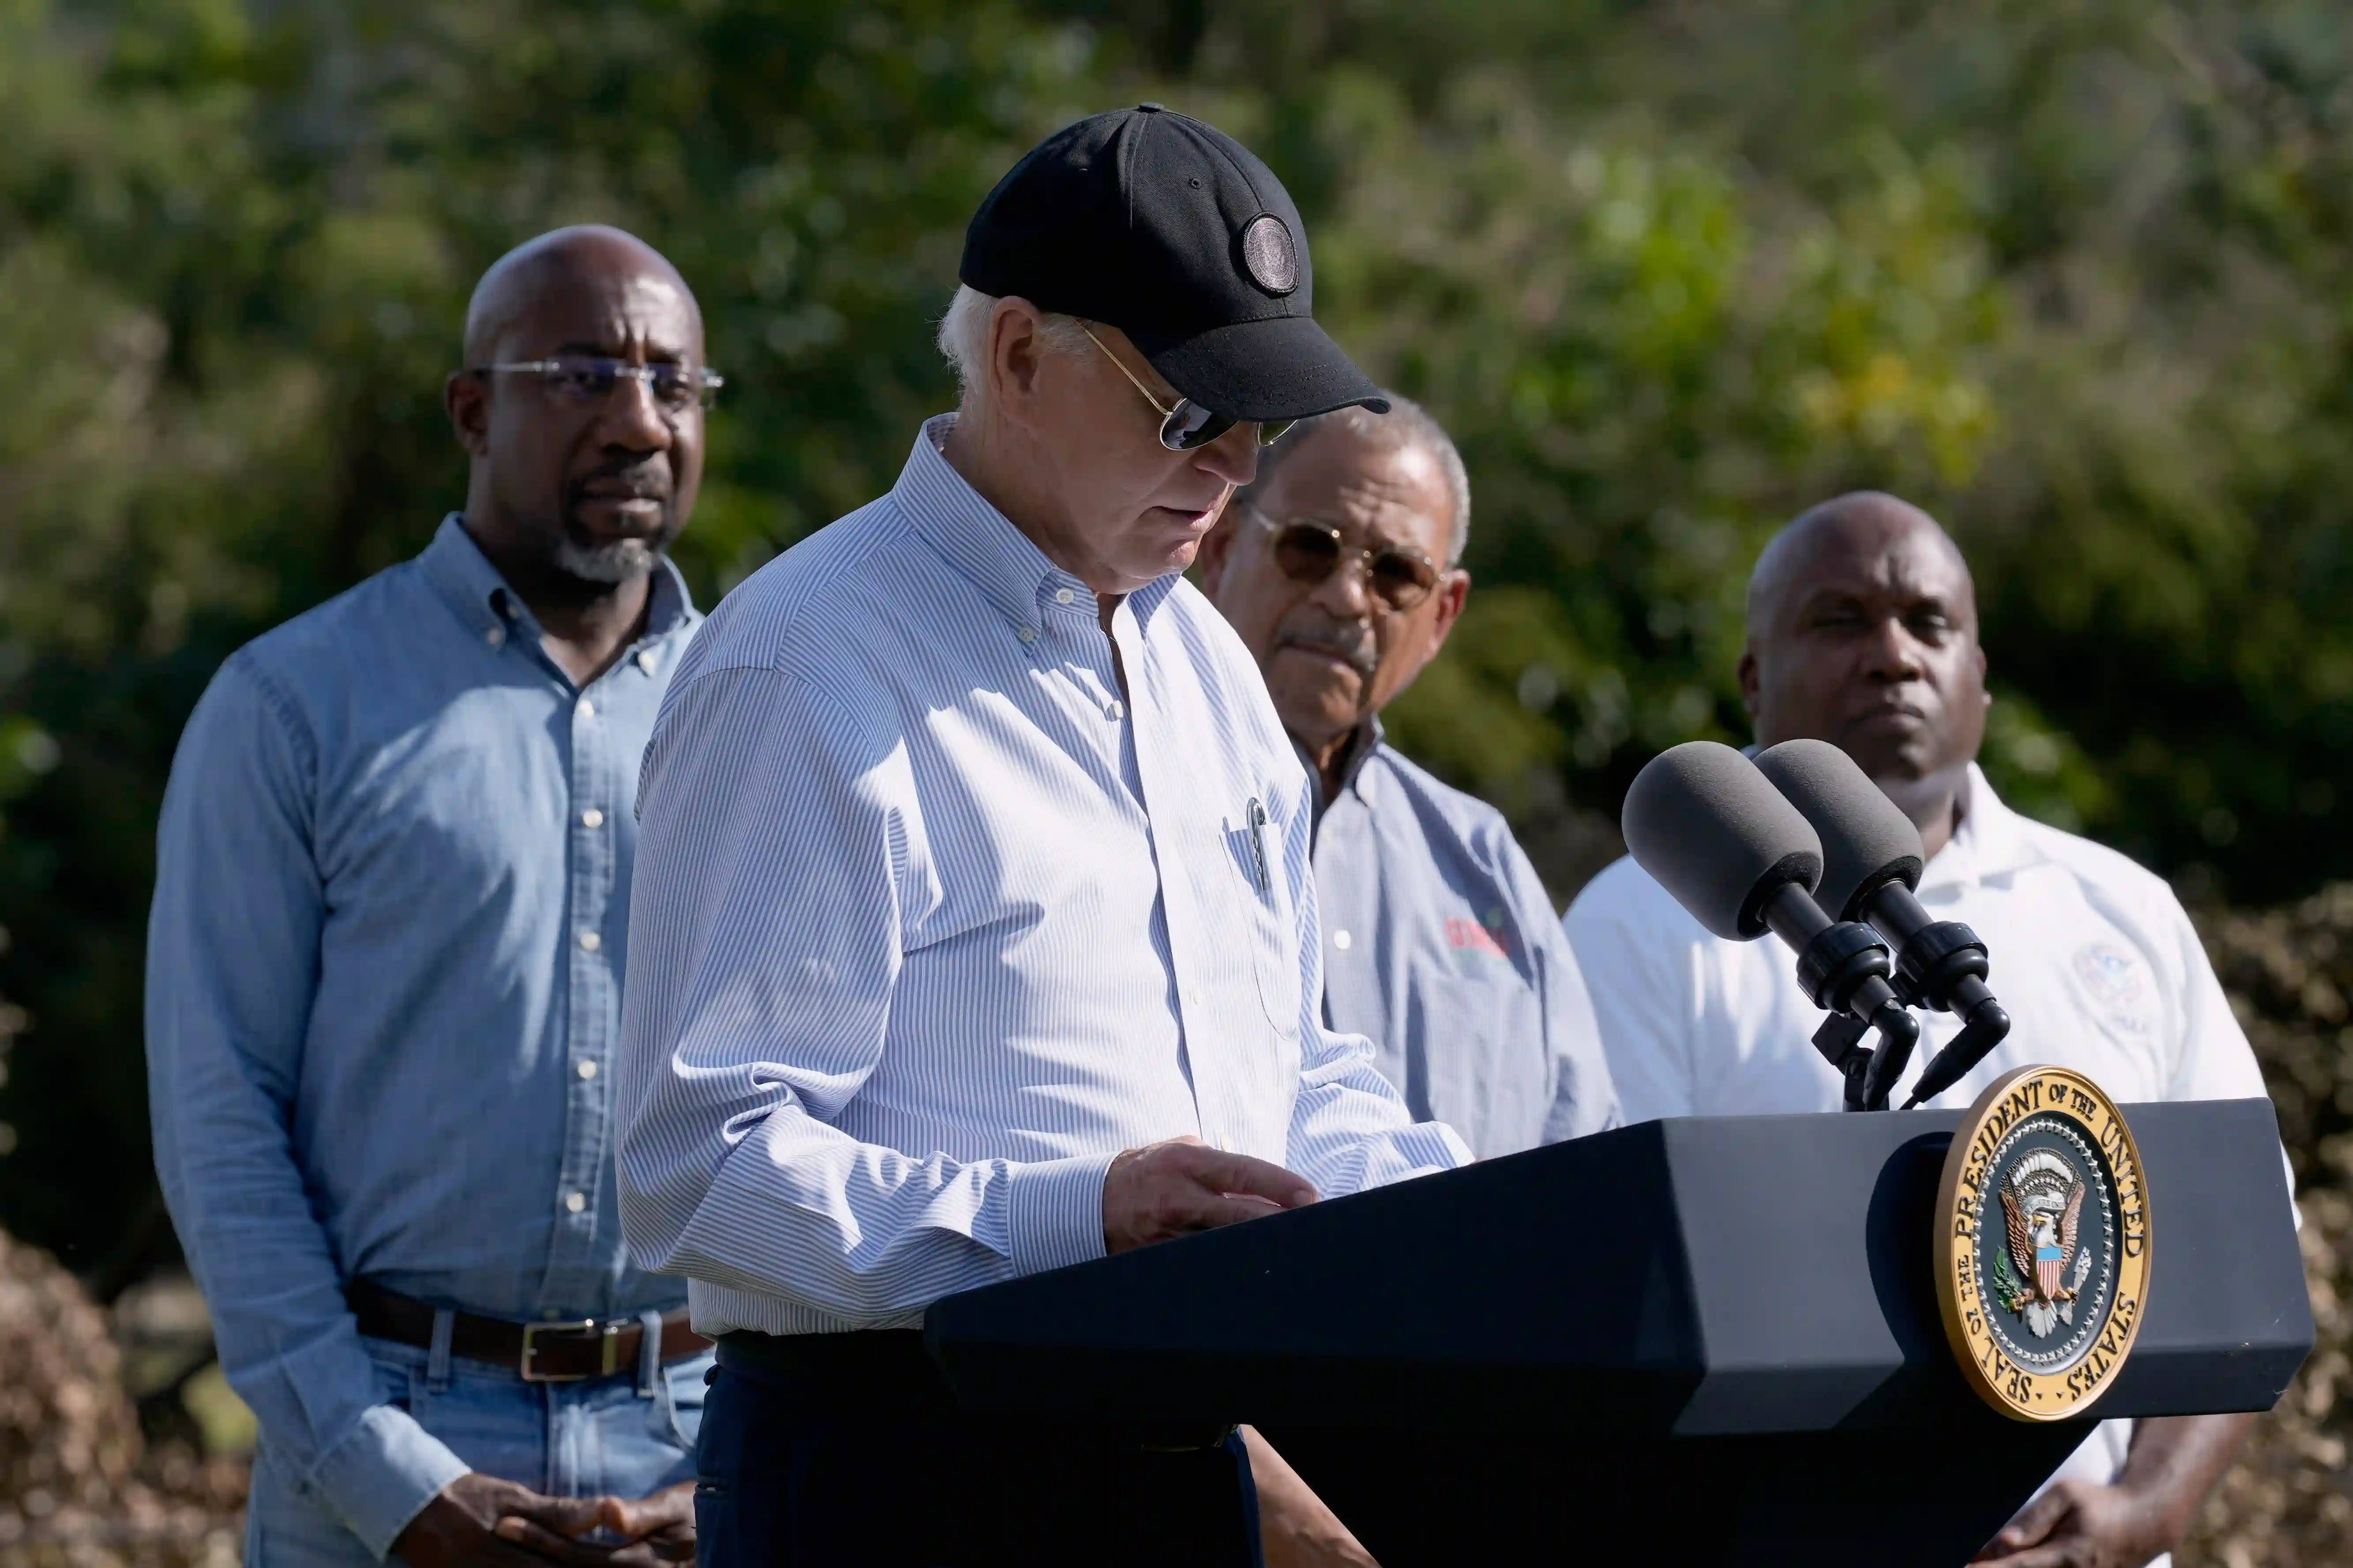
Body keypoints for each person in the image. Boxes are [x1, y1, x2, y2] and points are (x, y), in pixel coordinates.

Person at [613, 106, 1468, 1568]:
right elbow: (704, 1170)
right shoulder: (807, 665)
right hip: (901, 1471)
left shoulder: (1203, 664)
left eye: (1264, 416)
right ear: (1019, 354)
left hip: (1184, 1473)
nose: (1239, 466)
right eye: (1193, 408)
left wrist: (1464, 1218)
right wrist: (1079, 1219)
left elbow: (1275, 1070)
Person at [147, 226, 717, 1568]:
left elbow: (842, 1094)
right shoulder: (294, 709)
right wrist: (378, 1473)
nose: (639, 420)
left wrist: (742, 1461)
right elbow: (220, 1119)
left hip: (695, 1453)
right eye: (583, 374)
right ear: (473, 409)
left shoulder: (767, 713)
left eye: (674, 384)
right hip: (384, 1452)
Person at [1563, 491, 2266, 1568]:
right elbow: (1615, 1279)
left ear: (1978, 674)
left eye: (1926, 623)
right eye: (1838, 621)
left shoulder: (2119, 908)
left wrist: (2142, 1514)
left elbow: (2245, 1252)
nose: (1891, 656)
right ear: (1753, 678)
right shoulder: (1641, 919)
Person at [1198, 401, 1619, 1157]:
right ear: (1221, 547)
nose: (1348, 598)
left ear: (1443, 615)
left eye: (1396, 573)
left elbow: (1587, 1162)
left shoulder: (1481, 862)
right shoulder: (1115, 795)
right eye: (1310, 549)